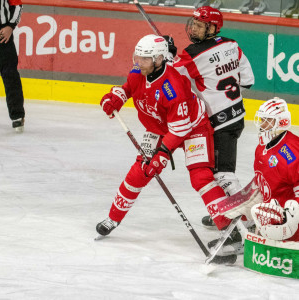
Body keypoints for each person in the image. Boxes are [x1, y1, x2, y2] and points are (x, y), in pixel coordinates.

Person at [96, 34, 233, 236]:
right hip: (160, 128)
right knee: (139, 171)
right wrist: (116, 98)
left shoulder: (173, 87)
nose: (138, 63)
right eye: (137, 57)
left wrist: (162, 155)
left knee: (201, 177)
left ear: (158, 59)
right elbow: (127, 88)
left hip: (193, 128)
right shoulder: (137, 71)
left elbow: (180, 129)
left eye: (144, 59)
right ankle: (113, 218)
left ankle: (228, 230)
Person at [173, 6, 255, 228]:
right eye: (195, 23)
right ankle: (228, 210)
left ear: (212, 27)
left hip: (218, 124)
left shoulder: (192, 54)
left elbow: (169, 76)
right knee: (224, 171)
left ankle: (247, 221)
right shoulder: (232, 44)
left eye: (200, 25)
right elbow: (248, 80)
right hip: (237, 117)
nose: (194, 28)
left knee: (223, 175)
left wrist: (170, 55)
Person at [222, 97, 299, 245]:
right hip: (272, 213)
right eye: (262, 119)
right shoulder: (262, 147)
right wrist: (245, 203)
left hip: (290, 219)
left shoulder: (293, 153)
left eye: (267, 120)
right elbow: (262, 181)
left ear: (281, 122)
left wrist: (289, 218)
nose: (261, 124)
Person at [0, 0, 25, 132]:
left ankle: (17, 116)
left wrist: (10, 26)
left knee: (10, 75)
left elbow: (17, 5)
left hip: (2, 34)